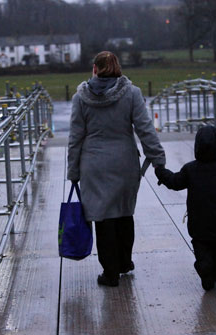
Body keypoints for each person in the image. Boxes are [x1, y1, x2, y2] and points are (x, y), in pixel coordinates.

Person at [67, 51, 166, 287]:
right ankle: (124, 262)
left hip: (94, 165)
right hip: (124, 164)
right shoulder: (132, 94)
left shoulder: (80, 98)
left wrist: (73, 172)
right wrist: (157, 158)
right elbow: (145, 130)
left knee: (102, 218)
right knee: (124, 213)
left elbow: (75, 138)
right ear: (117, 67)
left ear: (94, 69)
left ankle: (109, 272)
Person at [155, 125, 216, 291]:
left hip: (197, 219)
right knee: (215, 244)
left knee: (200, 245)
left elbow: (175, 182)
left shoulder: (191, 169)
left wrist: (161, 172)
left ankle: (205, 268)